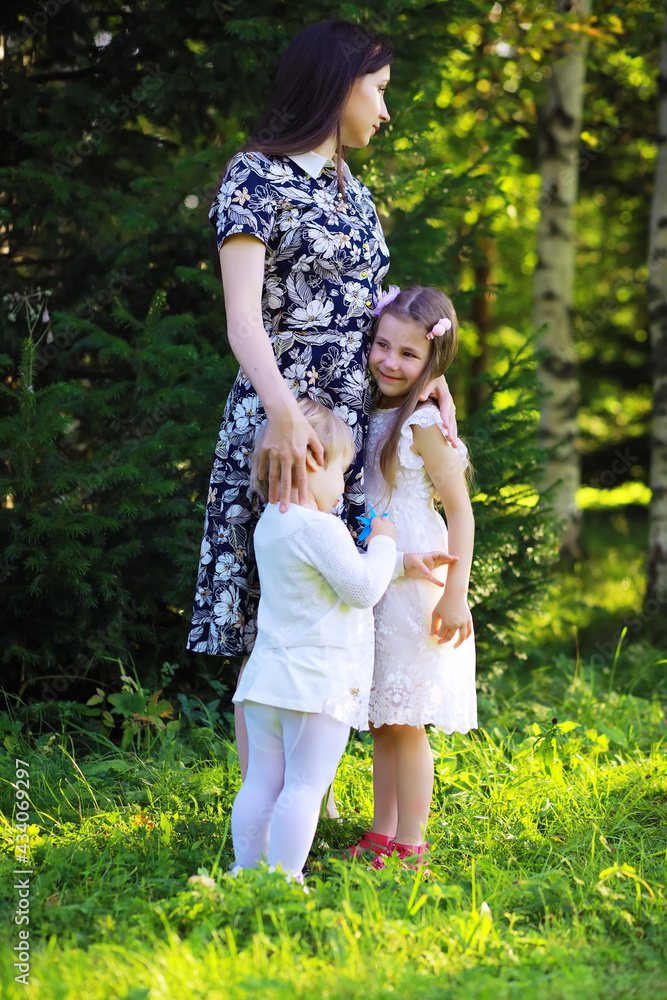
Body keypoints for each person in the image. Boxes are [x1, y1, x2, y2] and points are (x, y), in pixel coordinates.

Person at [186, 20, 458, 786]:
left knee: (336, 603)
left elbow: (376, 311)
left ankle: (311, 802)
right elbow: (242, 320)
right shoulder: (254, 176)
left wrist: (427, 375)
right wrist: (280, 415)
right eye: (379, 90)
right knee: (271, 616)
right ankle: (266, 805)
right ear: (340, 85)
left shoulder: (355, 194)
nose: (386, 110)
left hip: (347, 426)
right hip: (283, 417)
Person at [230, 398, 399, 880]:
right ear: (309, 464)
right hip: (314, 685)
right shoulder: (321, 527)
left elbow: (324, 583)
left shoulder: (272, 522)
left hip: (267, 682)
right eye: (340, 472)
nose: (343, 486)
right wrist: (384, 542)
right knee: (304, 786)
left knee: (261, 782)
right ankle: (284, 880)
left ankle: (246, 871)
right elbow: (362, 589)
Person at [351, 285, 477, 869]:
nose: (389, 362)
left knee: (406, 721)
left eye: (408, 354)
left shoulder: (422, 423)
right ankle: (383, 831)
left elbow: (461, 511)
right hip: (382, 577)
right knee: (383, 719)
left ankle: (412, 841)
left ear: (432, 362)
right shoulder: (368, 410)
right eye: (383, 345)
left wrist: (456, 596)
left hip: (419, 586)